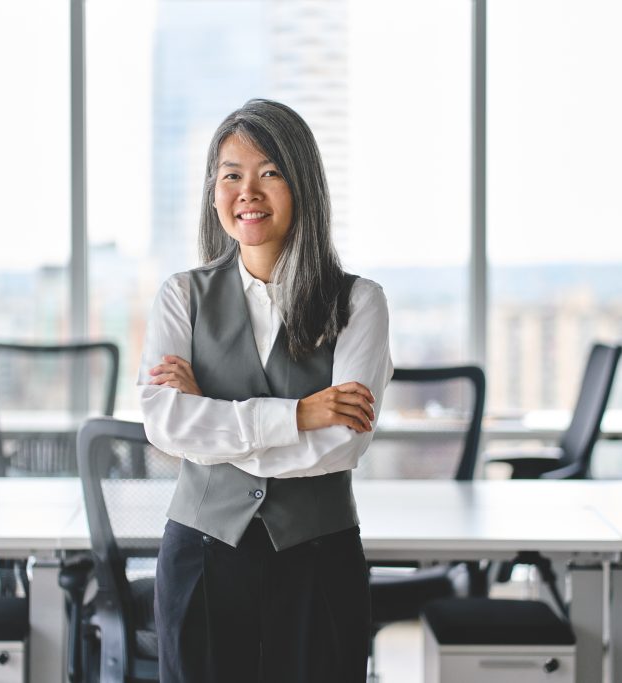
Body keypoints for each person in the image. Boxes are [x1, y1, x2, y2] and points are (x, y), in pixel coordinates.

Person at [139, 98, 393, 683]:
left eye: (270, 173)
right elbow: (164, 425)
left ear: (303, 184)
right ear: (214, 193)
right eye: (232, 175)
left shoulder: (358, 302)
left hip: (317, 560)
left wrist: (210, 412)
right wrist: (299, 414)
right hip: (200, 556)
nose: (248, 191)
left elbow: (342, 445)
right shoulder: (181, 296)